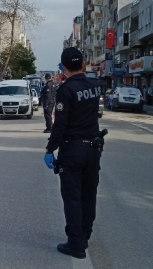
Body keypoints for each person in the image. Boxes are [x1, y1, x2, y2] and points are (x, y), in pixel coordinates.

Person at [43, 47, 102, 259]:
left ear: (63, 67)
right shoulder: (95, 86)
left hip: (73, 150)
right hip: (93, 149)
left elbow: (60, 124)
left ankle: (76, 244)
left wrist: (50, 149)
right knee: (89, 195)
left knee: (72, 198)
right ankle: (85, 235)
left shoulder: (66, 90)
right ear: (83, 64)